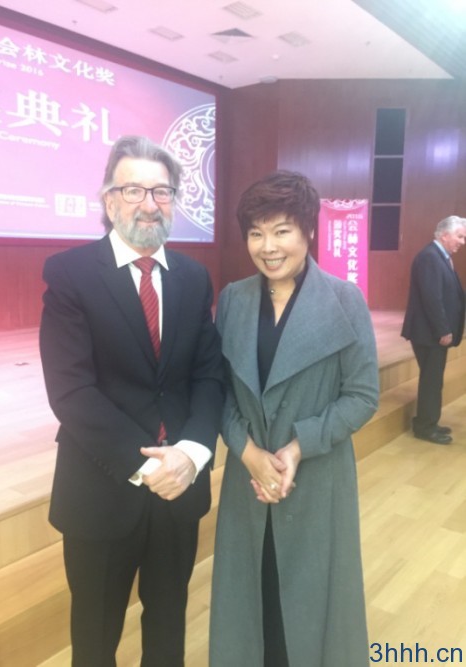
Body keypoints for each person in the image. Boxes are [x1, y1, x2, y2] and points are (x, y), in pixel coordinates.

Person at [39, 135, 224, 667]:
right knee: (95, 639)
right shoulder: (70, 273)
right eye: (134, 189)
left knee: (168, 628)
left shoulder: (193, 277)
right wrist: (149, 468)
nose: (149, 203)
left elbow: (209, 376)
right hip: (102, 488)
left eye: (161, 192)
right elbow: (71, 390)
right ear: (109, 200)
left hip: (180, 488)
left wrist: (190, 453)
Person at [209, 170, 379, 667]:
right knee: (251, 600)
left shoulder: (345, 300)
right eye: (256, 233)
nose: (269, 246)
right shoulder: (234, 301)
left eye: (282, 230)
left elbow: (363, 395)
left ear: (308, 231)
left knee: (311, 607)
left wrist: (296, 447)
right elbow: (216, 391)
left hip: (316, 476)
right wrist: (247, 453)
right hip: (249, 480)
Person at [401, 215, 466, 445]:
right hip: (430, 333)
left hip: (434, 332)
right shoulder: (430, 257)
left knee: (434, 380)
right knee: (431, 380)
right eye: (459, 236)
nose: (462, 242)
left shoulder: (441, 257)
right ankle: (425, 428)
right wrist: (443, 329)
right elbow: (432, 298)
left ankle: (429, 421)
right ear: (444, 234)